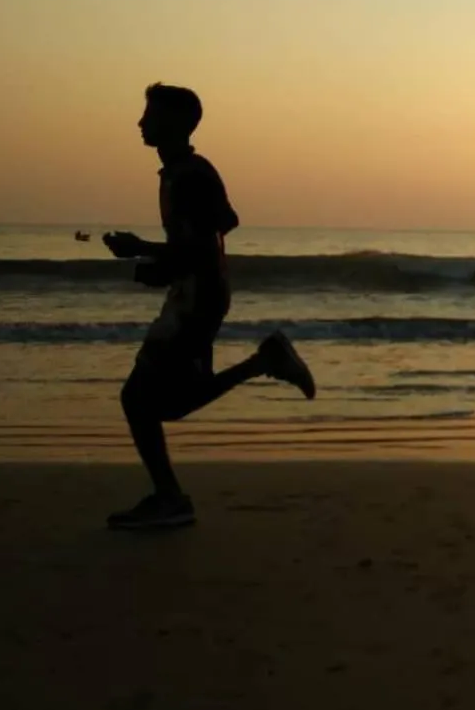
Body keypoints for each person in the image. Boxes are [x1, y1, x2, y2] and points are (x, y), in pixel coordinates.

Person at [101, 83, 316, 530]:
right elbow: (220, 225)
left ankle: (171, 497)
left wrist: (144, 250)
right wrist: (165, 262)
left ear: (177, 123)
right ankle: (264, 361)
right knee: (155, 400)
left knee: (141, 400)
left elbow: (202, 243)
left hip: (197, 302)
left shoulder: (190, 176)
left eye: (151, 115)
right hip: (194, 294)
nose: (141, 123)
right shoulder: (183, 172)